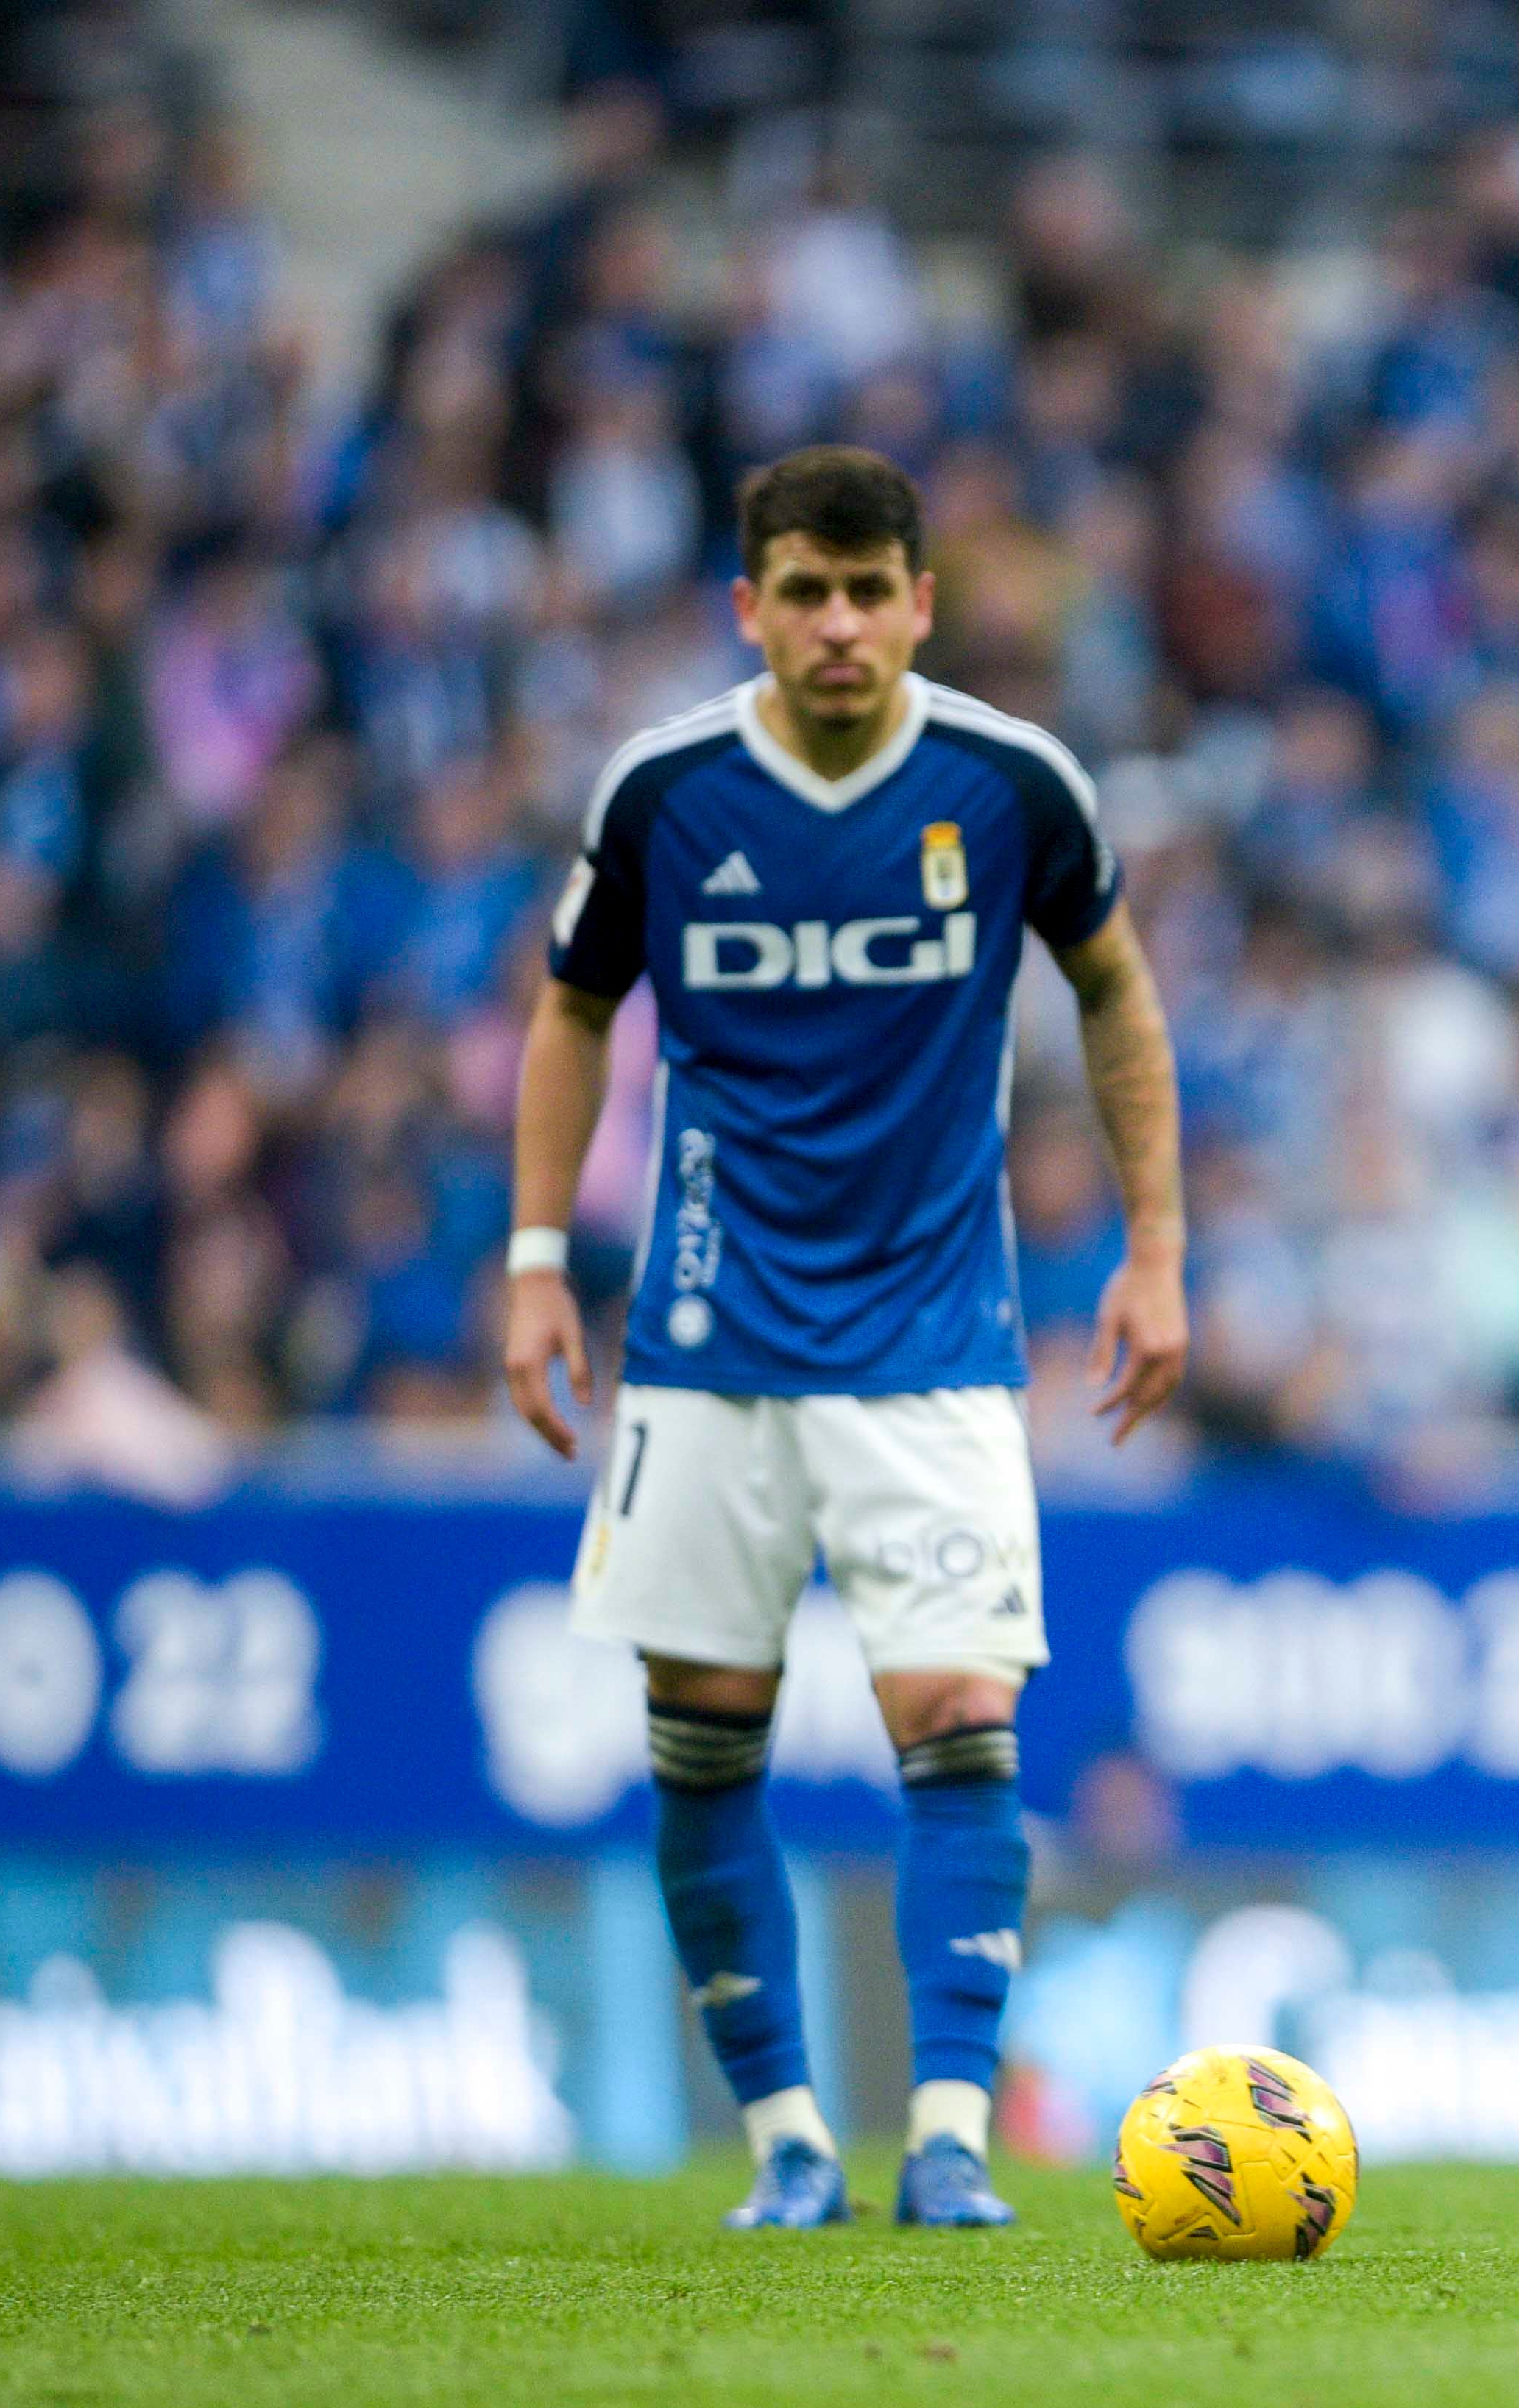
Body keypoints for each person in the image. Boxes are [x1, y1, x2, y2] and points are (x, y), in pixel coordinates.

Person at [503, 446, 1188, 2229]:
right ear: (750, 606)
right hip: (709, 1341)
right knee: (703, 1727)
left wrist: (1156, 1247)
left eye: (868, 590)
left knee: (960, 1715)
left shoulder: (1009, 780)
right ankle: (789, 2139)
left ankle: (948, 2133)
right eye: (801, 591)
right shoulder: (665, 790)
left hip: (936, 1339)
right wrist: (525, 1258)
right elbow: (573, 1010)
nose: (836, 624)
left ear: (921, 603)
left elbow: (1113, 981)